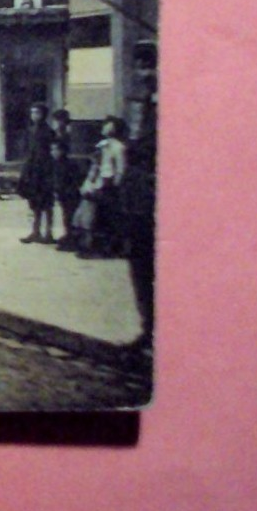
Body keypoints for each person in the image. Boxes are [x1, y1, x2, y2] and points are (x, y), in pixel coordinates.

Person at [120, 40, 158, 350]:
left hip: (163, 191)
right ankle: (149, 329)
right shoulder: (136, 104)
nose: (144, 73)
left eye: (150, 66)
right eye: (140, 66)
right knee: (140, 261)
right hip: (138, 194)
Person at [76, 116, 128, 258]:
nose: (106, 128)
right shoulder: (101, 145)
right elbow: (95, 165)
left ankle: (108, 248)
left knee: (106, 217)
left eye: (109, 126)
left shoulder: (119, 147)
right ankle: (90, 245)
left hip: (109, 184)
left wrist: (115, 186)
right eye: (105, 125)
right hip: (98, 182)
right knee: (92, 214)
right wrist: (89, 182)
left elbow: (120, 169)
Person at [17, 103, 57, 243]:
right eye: (32, 112)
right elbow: (28, 151)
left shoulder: (49, 132)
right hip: (32, 170)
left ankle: (49, 232)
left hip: (45, 170)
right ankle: (36, 231)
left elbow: (50, 152)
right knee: (34, 203)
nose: (34, 115)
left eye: (37, 113)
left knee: (47, 202)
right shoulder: (30, 131)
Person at [51, 109, 84, 248]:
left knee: (70, 209)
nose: (57, 124)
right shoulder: (60, 134)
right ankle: (68, 234)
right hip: (63, 172)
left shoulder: (69, 134)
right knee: (65, 209)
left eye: (58, 121)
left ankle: (72, 236)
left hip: (69, 174)